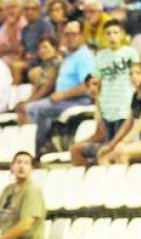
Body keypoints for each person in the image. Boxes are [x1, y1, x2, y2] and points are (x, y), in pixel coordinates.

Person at [22, 21, 95, 152]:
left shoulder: (84, 56)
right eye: (67, 34)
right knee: (31, 108)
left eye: (74, 34)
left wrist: (62, 95)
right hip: (64, 99)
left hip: (79, 99)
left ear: (82, 35)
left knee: (41, 109)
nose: (70, 37)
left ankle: (41, 147)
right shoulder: (69, 56)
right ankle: (38, 145)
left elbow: (87, 86)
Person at [93, 20, 140, 150]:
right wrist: (97, 108)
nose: (112, 36)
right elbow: (97, 84)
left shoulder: (131, 53)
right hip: (107, 107)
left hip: (125, 106)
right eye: (108, 33)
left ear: (122, 34)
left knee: (121, 147)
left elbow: (137, 78)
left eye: (115, 33)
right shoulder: (100, 56)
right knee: (108, 146)